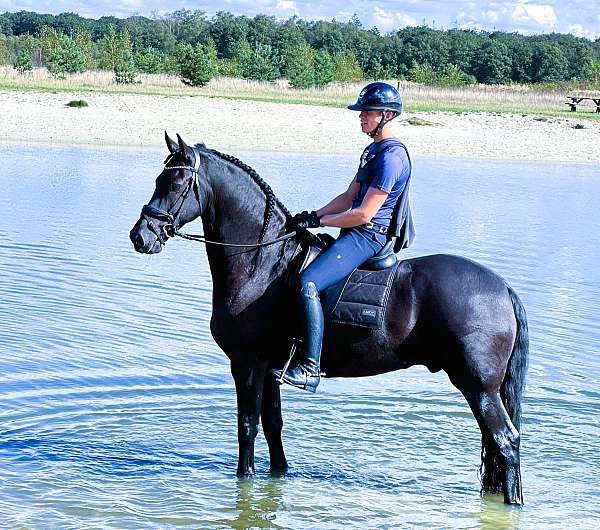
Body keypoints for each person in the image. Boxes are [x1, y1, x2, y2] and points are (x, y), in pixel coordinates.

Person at [271, 81, 414, 393]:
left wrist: (323, 221)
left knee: (308, 283)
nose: (361, 117)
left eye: (367, 112)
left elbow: (364, 214)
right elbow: (350, 195)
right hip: (354, 229)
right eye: (361, 112)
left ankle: (310, 369)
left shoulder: (391, 158)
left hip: (368, 236)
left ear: (386, 115)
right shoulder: (373, 151)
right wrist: (313, 214)